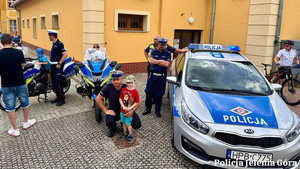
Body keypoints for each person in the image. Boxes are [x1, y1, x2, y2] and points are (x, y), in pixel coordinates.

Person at [0, 33, 36, 137]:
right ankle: (26, 122)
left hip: (6, 84)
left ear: (1, 43)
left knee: (10, 107)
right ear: (12, 41)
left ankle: (15, 129)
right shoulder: (19, 52)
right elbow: (22, 65)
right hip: (20, 82)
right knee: (25, 103)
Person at [96, 70, 141, 137]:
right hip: (114, 111)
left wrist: (132, 111)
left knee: (137, 124)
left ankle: (123, 122)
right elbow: (98, 99)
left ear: (121, 79)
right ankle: (112, 129)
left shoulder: (127, 87)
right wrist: (106, 111)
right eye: (114, 80)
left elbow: (138, 101)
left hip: (126, 111)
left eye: (118, 79)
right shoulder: (108, 88)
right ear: (112, 80)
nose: (116, 81)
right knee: (110, 122)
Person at [143, 38, 171, 117]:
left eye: (164, 44)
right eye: (161, 44)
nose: (162, 46)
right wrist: (161, 61)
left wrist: (156, 61)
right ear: (159, 44)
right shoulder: (154, 51)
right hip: (152, 76)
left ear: (166, 45)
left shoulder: (168, 53)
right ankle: (148, 109)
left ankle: (157, 110)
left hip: (161, 77)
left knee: (159, 94)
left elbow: (166, 64)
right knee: (148, 92)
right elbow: (151, 61)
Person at [48, 29, 68, 106]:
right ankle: (58, 97)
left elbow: (65, 54)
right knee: (55, 83)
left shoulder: (59, 44)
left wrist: (59, 63)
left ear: (52, 36)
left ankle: (62, 99)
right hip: (53, 65)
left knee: (58, 82)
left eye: (49, 35)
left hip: (57, 66)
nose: (48, 37)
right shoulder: (54, 43)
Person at [119, 75, 140, 143]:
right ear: (126, 83)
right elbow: (120, 98)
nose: (130, 84)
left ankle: (131, 135)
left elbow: (137, 102)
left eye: (131, 83)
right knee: (123, 123)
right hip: (123, 110)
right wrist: (122, 105)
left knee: (128, 124)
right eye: (128, 83)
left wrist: (131, 108)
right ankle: (125, 133)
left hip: (129, 111)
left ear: (134, 83)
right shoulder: (123, 90)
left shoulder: (135, 91)